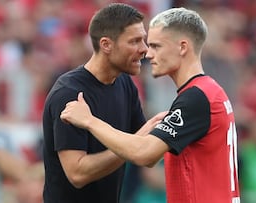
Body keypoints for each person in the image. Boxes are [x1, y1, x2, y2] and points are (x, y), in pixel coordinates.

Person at [61, 7, 241, 203]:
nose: (148, 54)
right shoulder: (209, 91)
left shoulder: (197, 97)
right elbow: (150, 156)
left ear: (182, 47)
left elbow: (144, 154)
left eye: (156, 46)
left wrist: (89, 121)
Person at [42, 3, 164, 203]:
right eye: (134, 41)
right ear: (106, 44)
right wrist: (133, 144)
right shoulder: (70, 94)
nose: (144, 50)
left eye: (144, 40)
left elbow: (145, 154)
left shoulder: (126, 84)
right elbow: (77, 174)